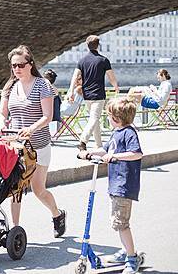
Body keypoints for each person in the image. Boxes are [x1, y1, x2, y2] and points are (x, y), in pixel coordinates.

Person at [0, 45, 66, 238]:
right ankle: (14, 230)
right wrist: (1, 123)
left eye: (20, 65)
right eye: (13, 66)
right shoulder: (10, 86)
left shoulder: (43, 85)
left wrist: (31, 129)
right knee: (15, 186)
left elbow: (48, 116)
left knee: (38, 189)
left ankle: (57, 214)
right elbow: (2, 113)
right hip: (15, 145)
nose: (16, 69)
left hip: (39, 145)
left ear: (30, 65)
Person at [78, 97, 143, 274]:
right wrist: (89, 152)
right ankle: (126, 250)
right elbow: (106, 150)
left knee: (121, 223)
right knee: (118, 222)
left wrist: (116, 157)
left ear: (117, 118)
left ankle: (132, 258)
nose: (108, 118)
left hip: (124, 184)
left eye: (109, 115)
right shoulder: (117, 132)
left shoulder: (129, 132)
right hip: (116, 183)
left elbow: (136, 153)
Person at [67, 35, 119, 151]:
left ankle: (98, 145)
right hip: (99, 94)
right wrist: (115, 86)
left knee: (93, 119)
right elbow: (111, 77)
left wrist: (70, 92)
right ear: (98, 45)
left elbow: (74, 77)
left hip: (87, 95)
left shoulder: (82, 61)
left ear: (87, 45)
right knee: (94, 118)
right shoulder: (104, 60)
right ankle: (83, 140)